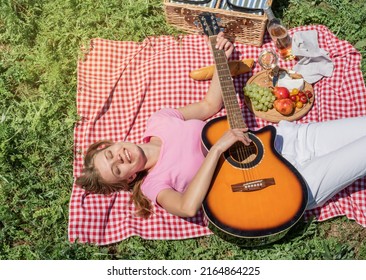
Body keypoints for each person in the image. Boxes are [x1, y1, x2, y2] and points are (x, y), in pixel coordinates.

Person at [76, 32, 366, 219]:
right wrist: (216, 151)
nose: (120, 158)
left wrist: (221, 60)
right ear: (128, 178)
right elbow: (188, 207)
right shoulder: (153, 184)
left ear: (111, 143)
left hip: (284, 141)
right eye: (117, 169)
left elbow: (208, 106)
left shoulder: (159, 120)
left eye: (111, 154)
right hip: (282, 185)